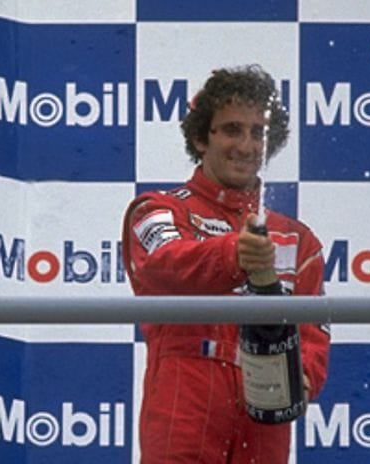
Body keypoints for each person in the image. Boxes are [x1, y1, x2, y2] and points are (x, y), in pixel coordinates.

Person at [121, 65, 330, 463]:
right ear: (201, 137)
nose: (246, 145)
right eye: (232, 129)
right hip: (187, 390)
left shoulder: (299, 240)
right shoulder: (159, 209)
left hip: (265, 399)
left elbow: (313, 332)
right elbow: (162, 266)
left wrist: (304, 375)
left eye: (258, 133)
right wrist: (233, 254)